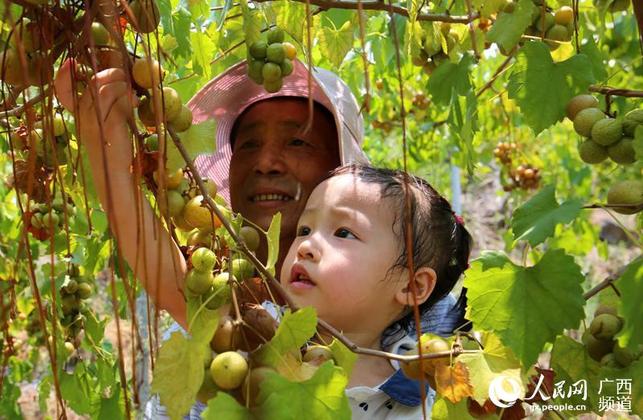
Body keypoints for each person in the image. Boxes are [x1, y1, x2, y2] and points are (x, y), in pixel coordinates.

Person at [279, 163, 472, 418]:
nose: (306, 245)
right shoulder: (258, 335)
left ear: (412, 286)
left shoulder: (416, 398)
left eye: (343, 233)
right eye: (304, 230)